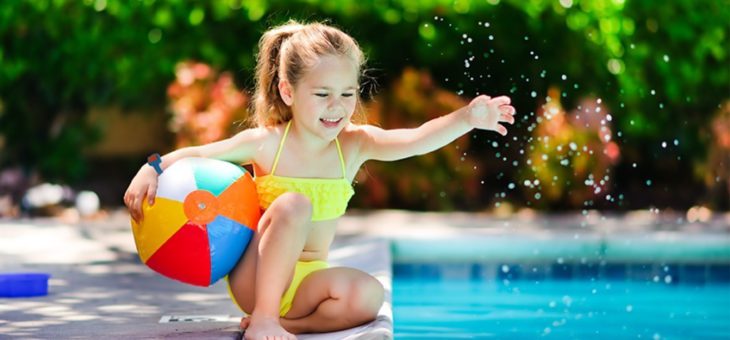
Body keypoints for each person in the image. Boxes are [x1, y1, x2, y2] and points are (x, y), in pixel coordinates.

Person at [124, 20, 515, 340]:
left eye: (347, 93)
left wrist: (466, 118)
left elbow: (414, 140)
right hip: (256, 277)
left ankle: (289, 326)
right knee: (295, 204)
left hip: (309, 285)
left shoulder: (354, 145)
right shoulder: (267, 143)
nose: (338, 107)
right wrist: (152, 167)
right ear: (288, 91)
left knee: (370, 295)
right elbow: (199, 154)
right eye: (323, 93)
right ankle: (262, 318)